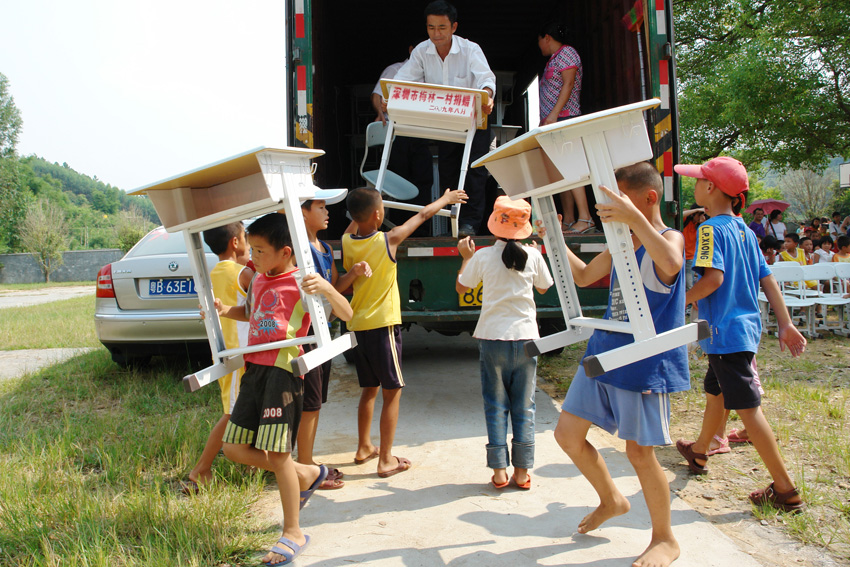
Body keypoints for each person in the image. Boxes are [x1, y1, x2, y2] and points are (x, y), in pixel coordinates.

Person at [553, 162, 688, 567]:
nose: (610, 210)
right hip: (603, 354)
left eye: (621, 201)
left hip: (644, 362)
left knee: (640, 454)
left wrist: (633, 220)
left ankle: (665, 538)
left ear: (649, 198)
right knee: (567, 435)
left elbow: (672, 264)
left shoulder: (668, 236)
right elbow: (583, 276)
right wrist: (555, 239)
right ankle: (612, 498)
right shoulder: (623, 241)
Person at [212, 212, 354, 565]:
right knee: (232, 447)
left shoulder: (301, 283)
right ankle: (305, 473)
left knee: (277, 456)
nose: (252, 257)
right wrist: (222, 310)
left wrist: (328, 287)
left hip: (283, 373)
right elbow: (250, 313)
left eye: (260, 251)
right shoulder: (258, 280)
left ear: (286, 252)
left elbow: (347, 313)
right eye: (252, 249)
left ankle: (293, 530)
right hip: (254, 372)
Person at [674, 156, 806, 515]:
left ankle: (785, 489)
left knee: (748, 409)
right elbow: (768, 279)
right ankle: (700, 451)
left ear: (711, 188)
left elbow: (712, 279)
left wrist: (677, 304)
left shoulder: (708, 230)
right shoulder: (747, 232)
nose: (696, 185)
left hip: (725, 333)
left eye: (699, 180)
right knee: (715, 389)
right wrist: (785, 322)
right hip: (745, 329)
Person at [343, 185, 467, 476]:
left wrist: (361, 204)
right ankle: (385, 459)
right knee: (392, 392)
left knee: (369, 390)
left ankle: (364, 447)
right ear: (378, 214)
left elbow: (356, 219)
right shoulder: (389, 240)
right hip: (383, 326)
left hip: (359, 325)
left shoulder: (347, 241)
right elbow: (423, 215)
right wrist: (446, 199)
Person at [456, 197, 553, 490]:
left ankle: (499, 471)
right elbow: (545, 287)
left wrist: (465, 257)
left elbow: (463, 287)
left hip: (492, 337)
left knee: (495, 405)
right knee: (525, 406)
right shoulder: (532, 255)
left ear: (495, 224)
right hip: (526, 337)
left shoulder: (483, 256)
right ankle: (522, 473)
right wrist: (537, 253)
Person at [391, 0, 496, 238]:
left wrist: (487, 96)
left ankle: (470, 224)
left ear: (454, 27)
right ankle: (454, 220)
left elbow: (486, 80)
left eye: (442, 28)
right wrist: (392, 97)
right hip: (446, 121)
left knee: (474, 171)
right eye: (431, 28)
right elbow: (402, 80)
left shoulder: (470, 49)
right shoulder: (421, 51)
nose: (436, 34)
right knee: (449, 170)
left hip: (476, 119)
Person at [295, 192, 366, 491]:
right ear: (302, 212)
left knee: (314, 402)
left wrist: (352, 273)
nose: (327, 213)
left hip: (323, 332)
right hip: (305, 334)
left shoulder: (323, 248)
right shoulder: (296, 249)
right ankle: (306, 468)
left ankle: (305, 461)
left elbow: (333, 288)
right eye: (321, 207)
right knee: (309, 403)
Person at [183, 222, 254, 493]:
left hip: (225, 351)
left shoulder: (209, 275)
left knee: (244, 409)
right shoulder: (243, 274)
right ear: (236, 242)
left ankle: (251, 465)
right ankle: (201, 469)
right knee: (232, 413)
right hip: (242, 353)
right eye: (248, 240)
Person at [536, 22, 594, 235]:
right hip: (554, 123)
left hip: (565, 119)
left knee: (572, 169)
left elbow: (568, 84)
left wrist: (553, 115)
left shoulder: (567, 53)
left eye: (539, 40)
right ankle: (569, 219)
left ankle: (585, 218)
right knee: (562, 173)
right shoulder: (552, 60)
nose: (539, 45)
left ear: (547, 38)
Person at [371, 46, 434, 226]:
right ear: (411, 50)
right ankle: (399, 227)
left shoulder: (431, 73)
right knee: (398, 181)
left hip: (420, 133)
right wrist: (379, 112)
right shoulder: (395, 69)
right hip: (397, 133)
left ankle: (422, 229)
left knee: (423, 181)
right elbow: (377, 95)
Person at [682, 206, 706, 290]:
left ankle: (689, 303)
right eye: (700, 214)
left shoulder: (701, 225)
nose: (702, 217)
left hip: (690, 258)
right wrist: (696, 210)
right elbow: (680, 215)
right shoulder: (686, 221)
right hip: (680, 256)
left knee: (689, 285)